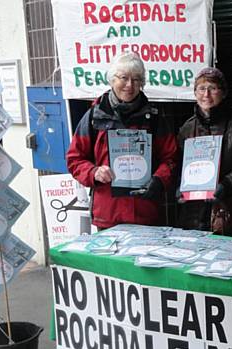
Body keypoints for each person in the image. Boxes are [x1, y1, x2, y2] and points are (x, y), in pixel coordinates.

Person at [66, 54, 178, 230]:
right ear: (112, 80)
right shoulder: (94, 116)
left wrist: (159, 179)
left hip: (145, 212)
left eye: (136, 79)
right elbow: (74, 159)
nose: (129, 85)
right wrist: (94, 172)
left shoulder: (154, 118)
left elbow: (171, 159)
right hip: (108, 214)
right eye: (123, 78)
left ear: (142, 83)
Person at [177, 67, 232, 237]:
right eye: (201, 88)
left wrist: (227, 184)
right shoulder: (187, 128)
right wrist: (180, 188)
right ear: (194, 93)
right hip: (196, 217)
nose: (206, 94)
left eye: (213, 88)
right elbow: (179, 168)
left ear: (223, 93)